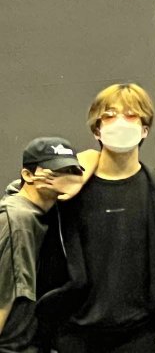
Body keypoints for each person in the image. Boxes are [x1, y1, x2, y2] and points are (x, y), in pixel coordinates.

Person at [36, 83, 155, 353]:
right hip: (75, 334)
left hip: (140, 334)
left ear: (145, 129)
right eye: (110, 115)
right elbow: (21, 198)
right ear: (96, 129)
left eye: (131, 115)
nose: (120, 122)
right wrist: (75, 167)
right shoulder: (67, 189)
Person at [0, 137, 84, 353]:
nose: (64, 177)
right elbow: (5, 296)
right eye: (54, 171)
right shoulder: (18, 218)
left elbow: (94, 158)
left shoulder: (46, 211)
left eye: (70, 170)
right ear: (28, 175)